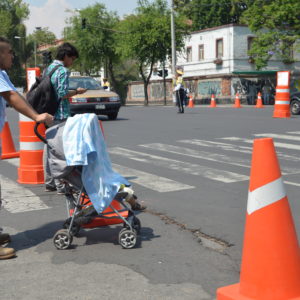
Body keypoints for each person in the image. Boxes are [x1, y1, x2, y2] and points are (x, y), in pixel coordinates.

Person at [0, 36, 53, 259]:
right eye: (9, 52)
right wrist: (36, 116)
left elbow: (16, 94)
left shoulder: (2, 74)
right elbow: (12, 97)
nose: (13, 55)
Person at [43, 43, 87, 194]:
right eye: (72, 59)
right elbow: (62, 93)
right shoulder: (62, 70)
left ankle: (49, 181)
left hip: (48, 113)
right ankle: (61, 184)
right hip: (60, 114)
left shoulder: (49, 68)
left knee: (49, 147)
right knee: (60, 151)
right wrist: (76, 91)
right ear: (66, 56)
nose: (72, 62)